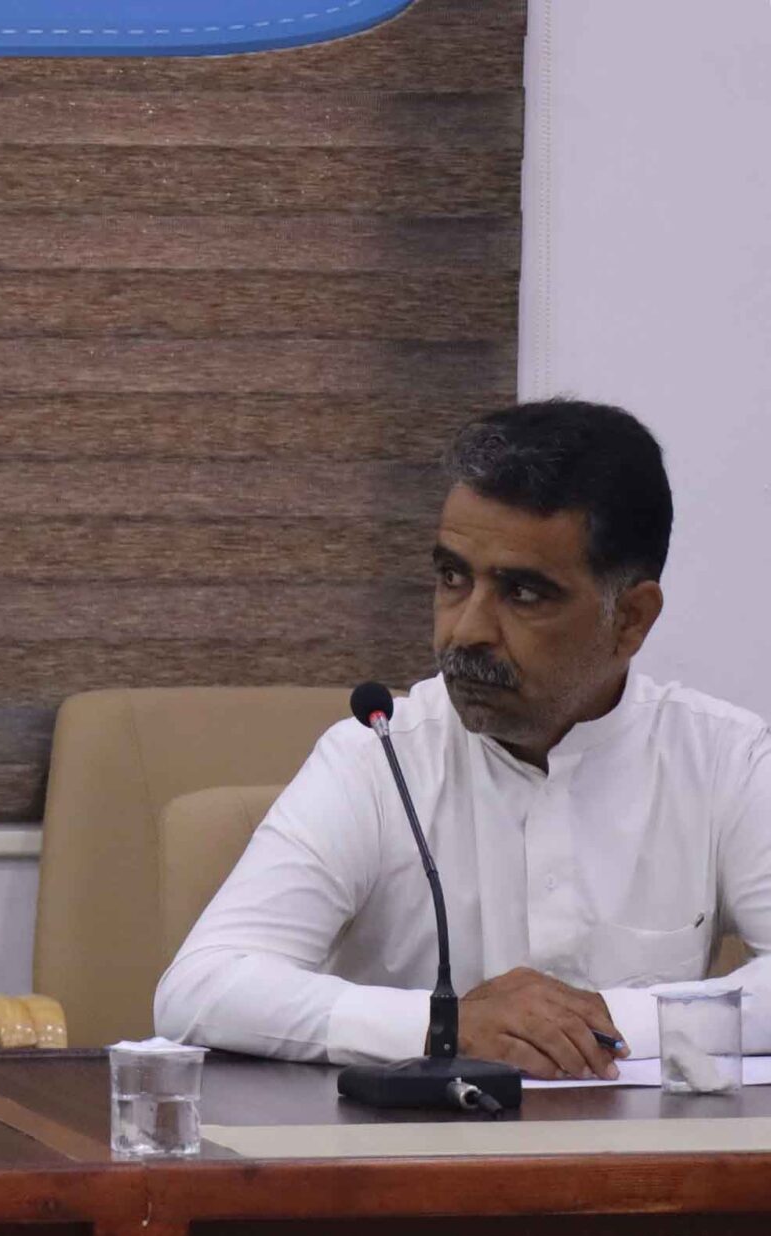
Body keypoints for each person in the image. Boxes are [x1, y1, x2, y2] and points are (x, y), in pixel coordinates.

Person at [156, 400, 769, 1077]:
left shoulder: (726, 760)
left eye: (523, 593)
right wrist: (445, 1025)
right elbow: (201, 988)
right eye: (453, 578)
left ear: (630, 619)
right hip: (411, 1145)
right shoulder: (377, 757)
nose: (466, 630)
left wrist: (598, 1020)